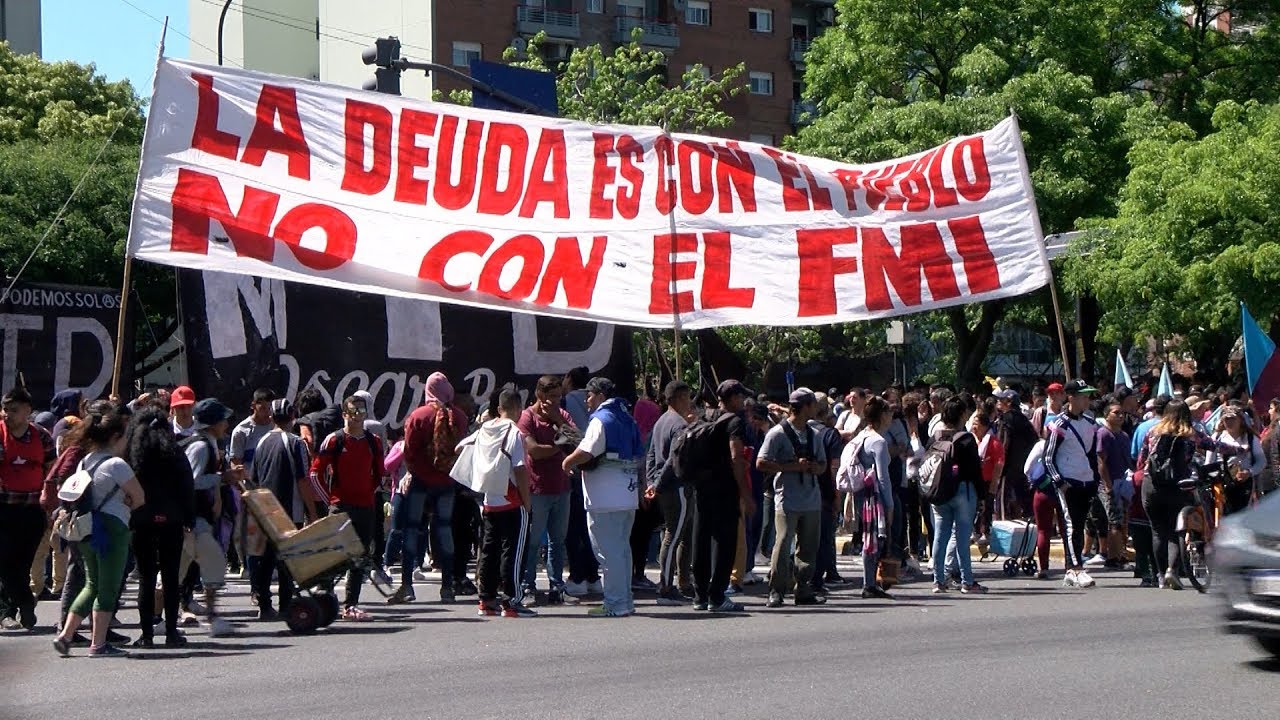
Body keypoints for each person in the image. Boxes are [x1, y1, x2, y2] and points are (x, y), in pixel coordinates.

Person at [52, 403, 144, 658]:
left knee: (91, 584)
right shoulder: (117, 465)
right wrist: (127, 501)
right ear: (115, 437)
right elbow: (139, 498)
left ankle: (66, 635)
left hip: (86, 527)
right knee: (108, 587)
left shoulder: (84, 462)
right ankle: (98, 644)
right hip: (112, 528)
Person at [563, 377, 643, 618]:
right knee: (622, 551)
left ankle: (615, 603)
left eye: (589, 395)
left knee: (608, 553)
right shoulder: (627, 417)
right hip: (627, 495)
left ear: (599, 395)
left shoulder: (602, 419)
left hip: (605, 497)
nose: (586, 400)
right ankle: (625, 600)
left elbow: (588, 449)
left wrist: (567, 461)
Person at [1138, 400, 1236, 589]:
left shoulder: (1153, 432)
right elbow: (1216, 446)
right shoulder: (1191, 434)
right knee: (1177, 531)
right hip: (1178, 486)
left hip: (1151, 485)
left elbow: (1142, 459)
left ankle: (1160, 576)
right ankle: (1171, 571)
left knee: (1158, 530)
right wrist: (1240, 449)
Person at [391, 372, 468, 604]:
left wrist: (415, 472)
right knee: (444, 529)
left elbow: (409, 452)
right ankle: (447, 586)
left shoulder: (418, 415)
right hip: (446, 482)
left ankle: (406, 585)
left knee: (412, 528)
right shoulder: (460, 417)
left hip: (420, 481)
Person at [125, 408, 196, 648]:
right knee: (170, 576)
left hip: (141, 519)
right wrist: (189, 518)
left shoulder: (133, 454)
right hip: (172, 519)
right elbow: (187, 485)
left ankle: (146, 635)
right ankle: (172, 633)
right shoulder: (174, 451)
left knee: (145, 577)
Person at [312, 395, 387, 620]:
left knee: (359, 556)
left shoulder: (373, 441)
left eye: (362, 412)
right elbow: (315, 473)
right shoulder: (334, 440)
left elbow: (379, 473)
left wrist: (369, 493)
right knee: (335, 555)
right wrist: (331, 501)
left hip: (365, 507)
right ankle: (324, 598)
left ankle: (350, 605)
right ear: (345, 414)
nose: (358, 416)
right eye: (354, 412)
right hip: (340, 506)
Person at [251, 399, 322, 619]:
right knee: (287, 559)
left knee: (267, 558)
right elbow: (302, 480)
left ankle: (264, 605)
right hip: (290, 510)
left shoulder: (262, 442)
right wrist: (312, 512)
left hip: (265, 508)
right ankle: (285, 605)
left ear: (271, 417)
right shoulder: (296, 442)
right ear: (292, 416)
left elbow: (254, 478)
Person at [688, 381, 755, 614]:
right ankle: (717, 596)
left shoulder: (705, 417)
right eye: (741, 397)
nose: (743, 402)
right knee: (725, 543)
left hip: (701, 488)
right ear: (734, 398)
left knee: (701, 539)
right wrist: (746, 494)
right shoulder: (734, 422)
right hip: (724, 489)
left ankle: (699, 595)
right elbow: (736, 457)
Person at [758, 388, 828, 608]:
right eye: (813, 405)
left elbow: (824, 465)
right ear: (805, 407)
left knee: (808, 546)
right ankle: (776, 590)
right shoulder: (777, 433)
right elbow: (761, 462)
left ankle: (803, 588)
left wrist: (816, 468)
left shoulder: (814, 434)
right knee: (783, 541)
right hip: (786, 498)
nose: (816, 409)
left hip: (811, 498)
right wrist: (790, 467)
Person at [469, 389, 534, 617]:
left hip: (489, 498)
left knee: (489, 550)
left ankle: (486, 600)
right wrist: (527, 502)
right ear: (519, 409)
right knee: (513, 551)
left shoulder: (485, 429)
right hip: (512, 499)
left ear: (499, 409)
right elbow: (520, 469)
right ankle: (511, 601)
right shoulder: (515, 432)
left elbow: (462, 448)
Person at [179, 398, 238, 636]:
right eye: (223, 419)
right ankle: (213, 619)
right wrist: (222, 478)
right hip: (193, 520)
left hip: (192, 519)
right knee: (214, 561)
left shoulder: (208, 444)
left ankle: (157, 620)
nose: (226, 423)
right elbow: (191, 482)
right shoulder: (202, 446)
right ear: (213, 423)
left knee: (175, 572)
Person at [0, 387, 56, 630]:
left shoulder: (42, 437)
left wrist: (52, 502)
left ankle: (19, 607)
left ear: (28, 411)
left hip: (32, 511)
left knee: (21, 564)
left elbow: (52, 472)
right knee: (4, 563)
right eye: (5, 409)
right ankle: (14, 608)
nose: (7, 414)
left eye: (13, 410)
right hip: (3, 509)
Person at [517, 375, 576, 604]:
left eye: (558, 396)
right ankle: (528, 586)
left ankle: (557, 586)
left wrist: (558, 421)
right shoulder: (527, 417)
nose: (556, 401)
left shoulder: (562, 416)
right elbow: (533, 450)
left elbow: (578, 441)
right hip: (537, 488)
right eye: (551, 396)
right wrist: (560, 447)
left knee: (557, 541)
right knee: (532, 541)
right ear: (540, 396)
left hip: (561, 487)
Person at [1042, 380, 1100, 589]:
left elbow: (1093, 455)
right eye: (1083, 396)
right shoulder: (1059, 424)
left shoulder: (1091, 423)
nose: (1087, 399)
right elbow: (1047, 458)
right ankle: (1076, 568)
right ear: (1071, 397)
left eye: (1088, 396)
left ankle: (1070, 567)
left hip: (1086, 481)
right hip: (1068, 482)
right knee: (1070, 526)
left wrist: (1095, 480)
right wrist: (1059, 481)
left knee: (1081, 523)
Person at [927, 397, 987, 594]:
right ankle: (967, 581)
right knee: (962, 538)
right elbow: (975, 471)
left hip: (939, 491)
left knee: (940, 536)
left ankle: (938, 580)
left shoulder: (935, 436)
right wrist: (983, 496)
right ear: (962, 414)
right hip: (963, 490)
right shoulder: (966, 438)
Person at [645, 380, 694, 606]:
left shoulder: (661, 421)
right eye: (687, 397)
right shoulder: (680, 425)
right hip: (676, 487)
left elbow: (652, 456)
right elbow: (673, 460)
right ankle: (665, 586)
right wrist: (657, 483)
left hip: (663, 486)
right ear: (677, 398)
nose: (689, 402)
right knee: (673, 536)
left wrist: (651, 480)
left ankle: (682, 581)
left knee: (680, 534)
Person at [560, 367, 601, 594]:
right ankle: (593, 575)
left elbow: (565, 433)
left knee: (573, 527)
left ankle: (577, 576)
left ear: (569, 379)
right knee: (589, 527)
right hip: (595, 468)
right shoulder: (595, 403)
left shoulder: (566, 402)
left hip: (574, 468)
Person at [1095, 402, 1133, 570]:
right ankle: (1113, 558)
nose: (1120, 416)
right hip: (1107, 484)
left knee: (1123, 520)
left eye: (1122, 413)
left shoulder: (1124, 436)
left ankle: (1120, 554)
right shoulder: (1103, 434)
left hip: (1123, 482)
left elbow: (1129, 461)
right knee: (1114, 521)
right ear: (1107, 416)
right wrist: (1108, 485)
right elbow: (1101, 462)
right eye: (1116, 413)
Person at [995, 388, 1037, 518]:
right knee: (1024, 501)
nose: (998, 402)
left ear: (1008, 402)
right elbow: (1034, 440)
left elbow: (1003, 444)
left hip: (1007, 468)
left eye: (1001, 400)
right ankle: (1029, 530)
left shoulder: (1006, 419)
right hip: (1023, 467)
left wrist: (999, 465)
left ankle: (1003, 531)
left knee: (1003, 501)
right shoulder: (1024, 420)